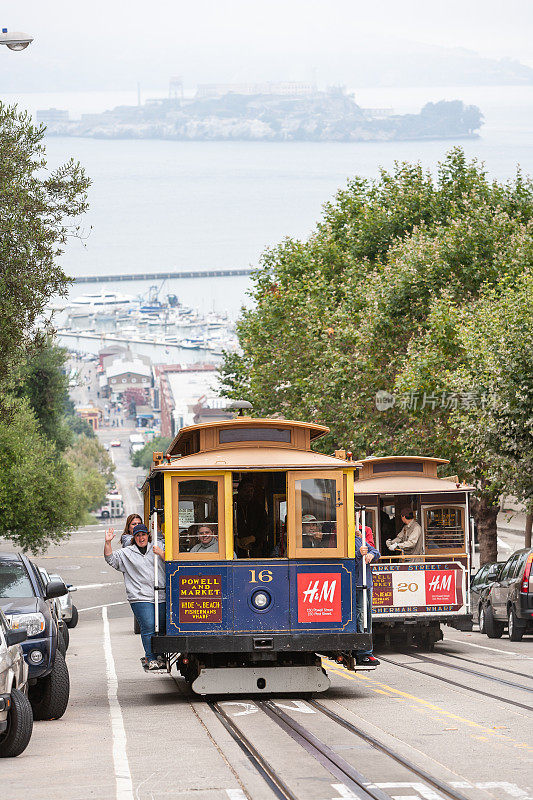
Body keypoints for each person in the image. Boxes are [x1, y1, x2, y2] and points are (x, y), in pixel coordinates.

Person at [104, 523, 166, 671]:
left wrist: (161, 554)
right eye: (137, 535)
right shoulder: (127, 553)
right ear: (134, 538)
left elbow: (172, 560)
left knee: (162, 627)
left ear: (148, 535)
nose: (141, 538)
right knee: (149, 626)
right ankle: (150, 658)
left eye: (143, 535)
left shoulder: (157, 547)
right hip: (140, 596)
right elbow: (110, 559)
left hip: (161, 593)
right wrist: (108, 542)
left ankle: (160, 656)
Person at [354, 535, 381, 666]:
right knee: (361, 617)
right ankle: (362, 652)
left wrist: (371, 554)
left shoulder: (359, 540)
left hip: (366, 584)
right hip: (356, 585)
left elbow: (376, 552)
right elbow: (344, 561)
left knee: (367, 618)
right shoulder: (342, 539)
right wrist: (358, 554)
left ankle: (366, 651)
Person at [235, 478, 268, 557]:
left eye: (251, 491)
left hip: (254, 547)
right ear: (240, 491)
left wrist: (253, 538)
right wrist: (235, 540)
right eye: (246, 490)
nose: (249, 493)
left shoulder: (258, 507)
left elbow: (265, 526)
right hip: (235, 547)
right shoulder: (231, 504)